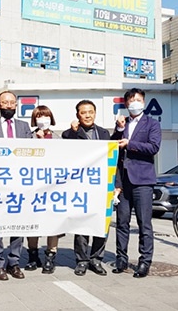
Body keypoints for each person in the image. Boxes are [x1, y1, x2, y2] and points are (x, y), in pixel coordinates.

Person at [111, 88, 161, 278]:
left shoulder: (152, 124)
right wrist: (119, 130)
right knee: (122, 222)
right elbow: (113, 147)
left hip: (143, 181)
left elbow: (153, 147)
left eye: (138, 100)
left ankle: (144, 262)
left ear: (144, 103)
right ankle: (121, 259)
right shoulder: (123, 123)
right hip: (123, 181)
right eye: (131, 100)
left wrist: (129, 144)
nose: (134, 103)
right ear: (125, 104)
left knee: (144, 223)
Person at [0, 90, 33, 280]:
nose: (9, 105)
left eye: (12, 102)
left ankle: (14, 262)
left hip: (19, 182)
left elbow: (31, 150)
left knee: (17, 223)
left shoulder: (24, 126)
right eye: (5, 102)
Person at [61, 100, 113, 277]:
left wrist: (116, 185)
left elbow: (113, 159)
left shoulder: (104, 133)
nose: (88, 115)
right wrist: (75, 132)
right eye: (84, 112)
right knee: (81, 224)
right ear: (77, 115)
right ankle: (82, 260)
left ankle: (96, 259)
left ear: (95, 113)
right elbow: (67, 152)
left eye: (91, 112)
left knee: (101, 223)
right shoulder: (70, 134)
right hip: (81, 186)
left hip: (102, 185)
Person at [25, 105, 62, 274]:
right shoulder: (28, 137)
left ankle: (50, 257)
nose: (43, 119)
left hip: (53, 188)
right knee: (33, 222)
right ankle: (33, 256)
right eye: (39, 116)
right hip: (33, 188)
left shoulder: (58, 138)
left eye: (46, 116)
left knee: (53, 223)